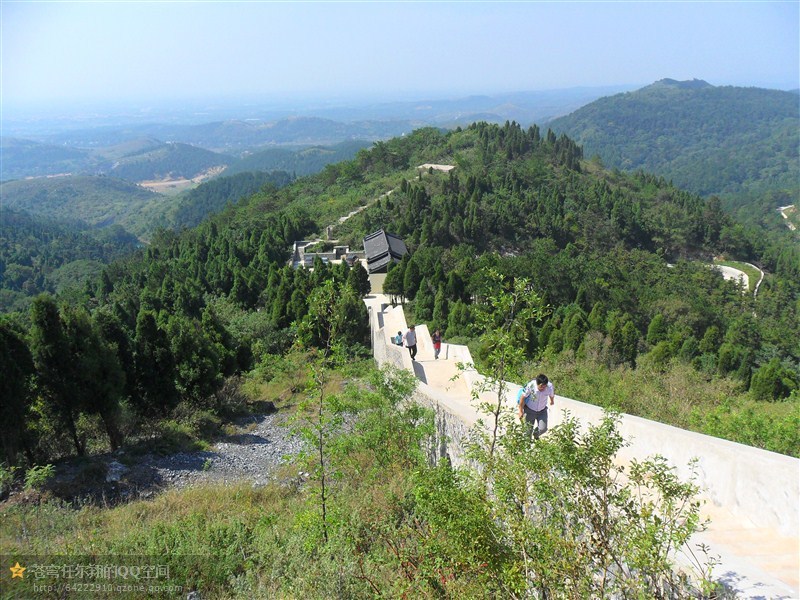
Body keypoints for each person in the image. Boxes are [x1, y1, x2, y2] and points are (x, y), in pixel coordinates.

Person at [518, 373, 555, 440]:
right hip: (529, 410)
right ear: (537, 384)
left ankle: (535, 434)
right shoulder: (531, 385)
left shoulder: (549, 386)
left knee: (543, 428)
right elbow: (522, 397)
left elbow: (551, 395)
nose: (543, 388)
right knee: (527, 432)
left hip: (542, 411)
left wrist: (552, 401)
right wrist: (520, 410)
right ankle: (527, 448)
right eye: (541, 387)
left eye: (544, 387)